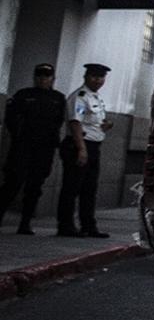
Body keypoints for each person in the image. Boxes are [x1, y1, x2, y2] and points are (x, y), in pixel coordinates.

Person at [1, 63, 68, 234]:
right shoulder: (24, 95)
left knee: (35, 187)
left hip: (44, 148)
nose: (43, 79)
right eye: (40, 76)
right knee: (12, 183)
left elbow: (58, 121)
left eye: (47, 76)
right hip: (23, 146)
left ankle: (25, 222)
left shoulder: (58, 98)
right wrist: (19, 135)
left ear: (52, 78)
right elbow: (11, 118)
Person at [57, 63, 112, 239]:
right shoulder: (80, 97)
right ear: (86, 77)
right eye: (94, 77)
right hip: (79, 145)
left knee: (89, 189)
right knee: (72, 187)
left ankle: (88, 225)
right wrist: (81, 149)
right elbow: (75, 123)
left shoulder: (96, 98)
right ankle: (65, 226)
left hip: (94, 145)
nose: (98, 80)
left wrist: (105, 126)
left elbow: (93, 122)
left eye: (101, 77)